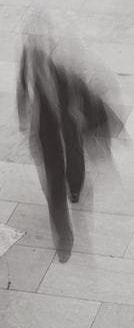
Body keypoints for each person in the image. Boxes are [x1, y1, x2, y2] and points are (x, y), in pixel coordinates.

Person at [16, 14, 122, 263]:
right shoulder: (29, 57)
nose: (35, 42)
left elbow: (91, 83)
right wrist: (23, 115)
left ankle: (75, 187)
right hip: (47, 127)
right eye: (31, 38)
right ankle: (63, 233)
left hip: (71, 122)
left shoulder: (65, 56)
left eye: (38, 37)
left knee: (75, 158)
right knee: (53, 179)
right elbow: (23, 86)